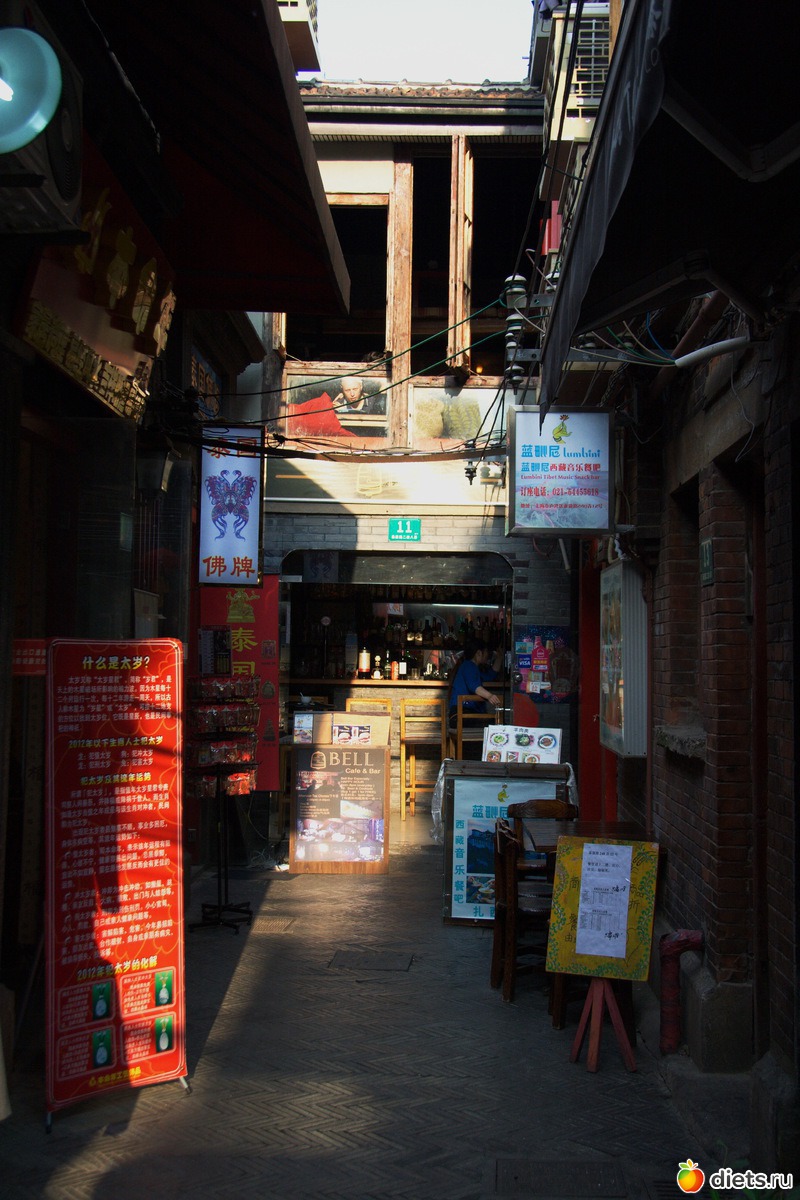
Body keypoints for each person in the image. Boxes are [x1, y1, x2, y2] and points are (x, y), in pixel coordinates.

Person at [448, 641, 503, 727]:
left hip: (461, 715)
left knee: (497, 724)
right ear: (479, 653)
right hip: (462, 715)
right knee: (498, 725)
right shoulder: (469, 666)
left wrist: (500, 657)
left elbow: (490, 675)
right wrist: (490, 696)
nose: (488, 655)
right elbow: (474, 687)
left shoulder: (471, 667)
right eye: (486, 652)